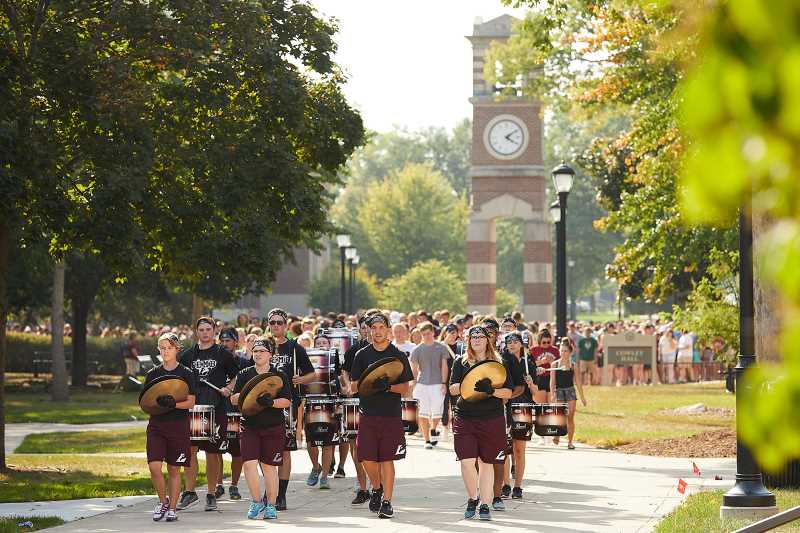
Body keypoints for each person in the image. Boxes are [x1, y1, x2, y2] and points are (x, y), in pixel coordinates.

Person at [349, 312, 414, 519]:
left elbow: (405, 387)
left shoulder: (398, 355)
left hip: (391, 415)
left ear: (388, 329)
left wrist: (388, 386)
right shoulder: (362, 355)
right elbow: (353, 386)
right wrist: (369, 383)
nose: (377, 331)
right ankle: (376, 488)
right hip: (367, 413)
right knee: (365, 457)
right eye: (373, 328)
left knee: (387, 459)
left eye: (381, 327)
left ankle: (387, 501)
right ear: (369, 330)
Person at [449, 325, 513, 521]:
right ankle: (472, 498)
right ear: (469, 340)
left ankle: (485, 505)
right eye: (472, 337)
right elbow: (452, 389)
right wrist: (468, 385)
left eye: (480, 336)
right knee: (467, 462)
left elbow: (508, 393)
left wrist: (491, 390)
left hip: (491, 419)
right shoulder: (461, 362)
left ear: (488, 340)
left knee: (486, 464)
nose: (476, 340)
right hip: (465, 417)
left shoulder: (498, 363)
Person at [177, 317, 239, 512]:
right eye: (201, 329)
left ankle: (211, 494)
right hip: (193, 409)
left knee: (213, 454)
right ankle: (190, 492)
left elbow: (237, 376)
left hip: (217, 408)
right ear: (197, 332)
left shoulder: (223, 353)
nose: (205, 332)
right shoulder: (188, 355)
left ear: (214, 331)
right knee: (190, 451)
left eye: (208, 329)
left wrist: (229, 387)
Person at [231, 337, 292, 520]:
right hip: (249, 425)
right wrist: (244, 396)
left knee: (269, 467)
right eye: (255, 351)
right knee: (249, 464)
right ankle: (256, 501)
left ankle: (271, 505)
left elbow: (287, 401)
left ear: (270, 355)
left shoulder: (279, 375)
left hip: (273, 426)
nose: (257, 354)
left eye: (261, 351)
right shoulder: (244, 374)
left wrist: (271, 402)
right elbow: (234, 399)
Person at [264, 308, 316, 510]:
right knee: (265, 450)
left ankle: (281, 496)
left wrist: (300, 379)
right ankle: (270, 490)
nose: (276, 325)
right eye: (272, 322)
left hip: (288, 403)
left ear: (285, 325)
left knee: (285, 450)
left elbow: (312, 375)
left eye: (279, 322)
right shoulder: (263, 346)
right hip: (264, 404)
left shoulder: (295, 348)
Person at [145, 333, 197, 523]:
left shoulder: (186, 373)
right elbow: (146, 403)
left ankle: (173, 509)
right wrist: (157, 404)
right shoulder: (152, 374)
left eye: (169, 348)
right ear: (159, 350)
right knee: (154, 467)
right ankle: (162, 501)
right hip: (157, 426)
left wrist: (173, 404)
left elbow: (191, 402)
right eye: (162, 348)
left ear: (177, 349)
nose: (166, 351)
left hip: (178, 426)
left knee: (174, 470)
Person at [213, 327, 247, 501]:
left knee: (237, 451)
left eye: (228, 340)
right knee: (215, 449)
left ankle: (233, 485)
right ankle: (218, 484)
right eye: (222, 341)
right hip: (219, 409)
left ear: (236, 342)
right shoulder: (215, 361)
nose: (225, 344)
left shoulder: (244, 363)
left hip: (236, 411)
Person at [501, 332, 536, 499]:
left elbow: (535, 392)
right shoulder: (502, 360)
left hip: (523, 407)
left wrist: (531, 383)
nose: (512, 344)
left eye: (515, 341)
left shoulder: (529, 362)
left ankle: (518, 486)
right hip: (505, 407)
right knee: (505, 448)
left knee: (519, 449)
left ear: (522, 344)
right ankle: (505, 484)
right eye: (509, 342)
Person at [341, 315, 372, 505]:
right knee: (355, 447)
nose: (367, 331)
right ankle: (362, 488)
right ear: (359, 330)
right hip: (356, 402)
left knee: (377, 447)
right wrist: (347, 387)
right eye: (364, 328)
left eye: (371, 327)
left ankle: (379, 486)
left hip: (377, 403)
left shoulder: (385, 349)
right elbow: (344, 370)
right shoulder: (354, 349)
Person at [409, 322, 450, 449]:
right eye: (424, 334)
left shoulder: (441, 347)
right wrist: (413, 384)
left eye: (428, 333)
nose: (426, 336)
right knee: (423, 413)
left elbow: (444, 366)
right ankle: (427, 440)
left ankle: (433, 429)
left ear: (433, 332)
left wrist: (444, 383)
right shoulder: (417, 349)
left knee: (437, 411)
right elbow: (414, 369)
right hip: (421, 384)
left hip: (437, 383)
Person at [550, 338, 587, 449]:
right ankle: (557, 434)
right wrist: (552, 394)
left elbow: (578, 382)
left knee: (570, 417)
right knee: (560, 415)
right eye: (561, 351)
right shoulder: (555, 365)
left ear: (570, 352)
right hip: (559, 391)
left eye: (565, 351)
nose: (563, 353)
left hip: (570, 391)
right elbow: (552, 381)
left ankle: (570, 442)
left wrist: (582, 397)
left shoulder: (573, 365)